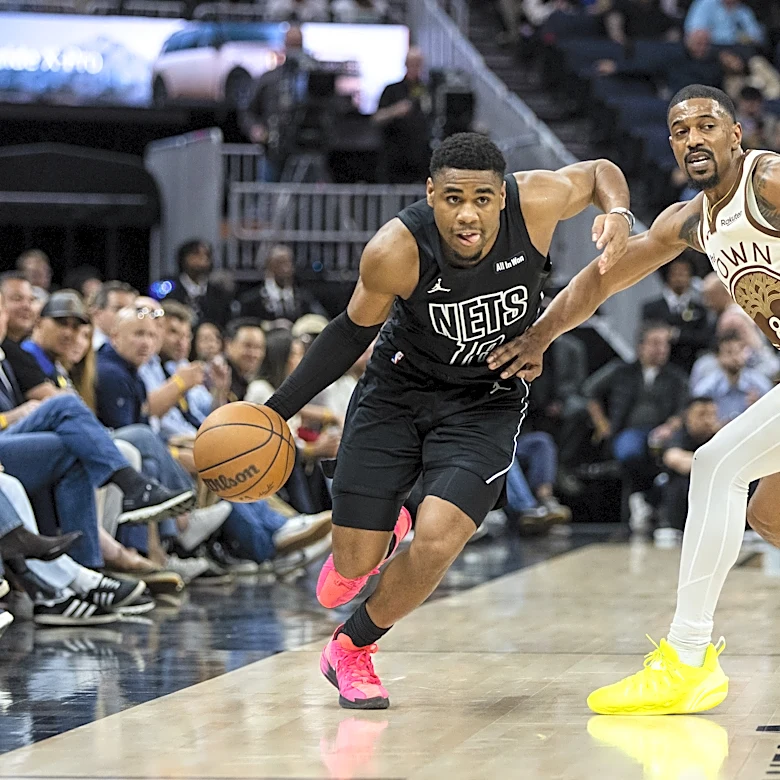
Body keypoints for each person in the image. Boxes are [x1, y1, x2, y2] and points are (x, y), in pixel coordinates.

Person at [260, 131, 632, 709]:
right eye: (453, 197)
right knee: (352, 565)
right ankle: (383, 533)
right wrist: (275, 413)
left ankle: (352, 649)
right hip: (397, 393)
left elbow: (600, 168)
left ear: (501, 199)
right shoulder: (395, 249)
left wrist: (619, 213)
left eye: (482, 199)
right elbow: (347, 334)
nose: (468, 214)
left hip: (486, 398)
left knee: (441, 538)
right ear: (430, 193)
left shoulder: (534, 202)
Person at [485, 84, 780, 715]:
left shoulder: (770, 182)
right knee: (769, 514)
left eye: (707, 125)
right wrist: (537, 335)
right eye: (680, 131)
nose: (694, 139)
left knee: (718, 465)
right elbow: (599, 283)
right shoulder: (688, 222)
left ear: (736, 133)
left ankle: (687, 660)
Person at [656, 396, 720, 545]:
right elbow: (674, 458)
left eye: (712, 414)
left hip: (715, 491)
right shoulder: (679, 435)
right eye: (701, 414)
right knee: (680, 481)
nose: (707, 420)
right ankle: (673, 525)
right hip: (683, 493)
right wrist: (714, 464)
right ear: (687, 416)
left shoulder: (720, 435)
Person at [641, 254, 713, 372]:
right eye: (676, 273)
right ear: (667, 275)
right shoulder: (651, 308)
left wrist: (677, 335)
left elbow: (705, 339)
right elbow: (644, 336)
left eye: (684, 273)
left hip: (689, 366)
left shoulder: (700, 309)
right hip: (659, 368)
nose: (680, 278)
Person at [374, 48, 433, 185]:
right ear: (406, 64)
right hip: (395, 158)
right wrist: (395, 111)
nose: (415, 68)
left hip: (420, 157)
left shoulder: (427, 90)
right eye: (412, 63)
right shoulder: (392, 89)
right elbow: (377, 118)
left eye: (418, 64)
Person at [691, 329, 772, 422]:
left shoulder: (760, 384)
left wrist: (760, 408)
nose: (735, 357)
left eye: (739, 351)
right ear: (718, 357)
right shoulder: (705, 389)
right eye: (729, 352)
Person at [154, 240, 233, 328]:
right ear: (183, 258)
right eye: (196, 254)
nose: (202, 258)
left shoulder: (218, 293)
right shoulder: (168, 288)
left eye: (207, 255)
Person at [238, 244, 326, 323]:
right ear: (269, 266)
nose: (285, 268)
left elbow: (322, 319)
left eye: (288, 262)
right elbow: (242, 323)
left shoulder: (304, 299)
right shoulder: (251, 300)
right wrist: (268, 326)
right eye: (280, 263)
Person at [684, 0, 764, 47]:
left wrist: (748, 38)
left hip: (738, 51)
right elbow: (694, 31)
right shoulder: (706, 3)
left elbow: (756, 36)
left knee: (758, 63)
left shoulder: (743, 11)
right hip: (711, 49)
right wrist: (735, 37)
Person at [224, 318, 267, 401]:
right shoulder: (215, 376)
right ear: (228, 345)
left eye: (259, 347)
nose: (254, 354)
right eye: (248, 346)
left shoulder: (252, 381)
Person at [89, 281, 138, 353]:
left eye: (130, 310)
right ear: (97, 313)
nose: (125, 315)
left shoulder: (141, 348)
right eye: (118, 309)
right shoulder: (85, 347)